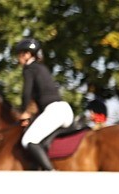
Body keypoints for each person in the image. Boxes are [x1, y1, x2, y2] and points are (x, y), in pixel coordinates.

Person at [13, 37, 73, 171]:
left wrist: (23, 112)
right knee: (42, 141)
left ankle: (51, 173)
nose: (19, 59)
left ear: (27, 54)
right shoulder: (41, 68)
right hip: (65, 110)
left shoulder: (29, 68)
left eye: (20, 54)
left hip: (54, 111)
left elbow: (26, 93)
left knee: (28, 140)